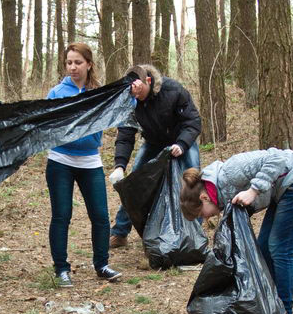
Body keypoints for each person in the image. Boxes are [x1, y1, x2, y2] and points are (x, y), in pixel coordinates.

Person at [179, 148, 293, 314]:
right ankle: (271, 305)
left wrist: (253, 190)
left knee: (279, 248)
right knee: (263, 248)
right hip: (284, 189)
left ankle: (284, 313)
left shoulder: (230, 172)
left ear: (204, 198)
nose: (205, 218)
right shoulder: (222, 194)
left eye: (201, 214)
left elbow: (277, 159)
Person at [45, 43, 122, 287]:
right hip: (61, 161)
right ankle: (61, 269)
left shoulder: (99, 94)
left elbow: (123, 109)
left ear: (89, 64)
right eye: (69, 62)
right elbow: (46, 126)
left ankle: (102, 265)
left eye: (78, 62)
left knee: (100, 216)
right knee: (62, 215)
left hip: (91, 161)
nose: (73, 67)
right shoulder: (56, 93)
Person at [107, 64, 201, 248]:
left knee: (192, 183)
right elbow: (125, 135)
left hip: (182, 140)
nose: (136, 95)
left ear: (148, 81)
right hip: (153, 142)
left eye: (139, 90)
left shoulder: (173, 91)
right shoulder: (130, 100)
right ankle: (120, 232)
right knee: (134, 185)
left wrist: (181, 144)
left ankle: (194, 235)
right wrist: (120, 165)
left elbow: (193, 121)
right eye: (132, 91)